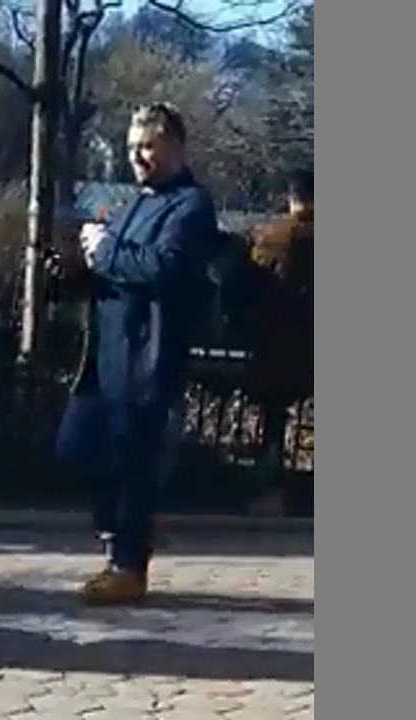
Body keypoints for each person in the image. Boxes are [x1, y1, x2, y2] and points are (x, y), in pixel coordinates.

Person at [52, 103, 220, 606]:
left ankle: (128, 566)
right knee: (78, 445)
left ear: (175, 147)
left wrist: (104, 251)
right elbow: (114, 270)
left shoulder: (191, 207)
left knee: (133, 460)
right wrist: (75, 268)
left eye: (148, 146)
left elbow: (163, 268)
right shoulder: (133, 204)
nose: (137, 157)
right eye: (132, 147)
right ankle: (117, 543)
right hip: (105, 351)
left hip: (147, 353)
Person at [241, 169, 314, 515]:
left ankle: (270, 489)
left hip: (277, 343)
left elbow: (249, 286)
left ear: (291, 197)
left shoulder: (271, 237)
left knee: (273, 420)